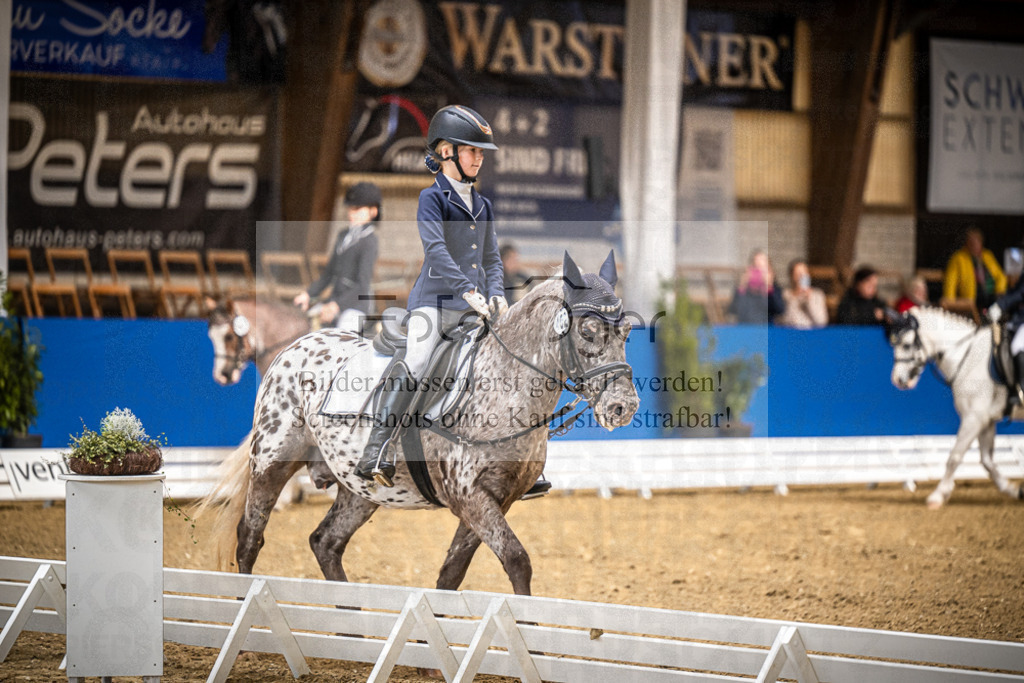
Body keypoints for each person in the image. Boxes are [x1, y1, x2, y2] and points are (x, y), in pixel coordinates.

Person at [355, 105, 507, 487]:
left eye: (481, 152)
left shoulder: (483, 205)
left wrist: (497, 294)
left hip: (474, 308)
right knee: (419, 359)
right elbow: (436, 250)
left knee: (504, 360)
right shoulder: (431, 198)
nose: (479, 158)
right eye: (472, 150)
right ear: (446, 151)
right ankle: (376, 447)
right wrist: (468, 290)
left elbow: (492, 259)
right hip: (434, 303)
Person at [294, 182, 381, 334]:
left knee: (342, 334)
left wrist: (336, 305)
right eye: (350, 209)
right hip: (334, 300)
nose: (352, 213)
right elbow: (328, 274)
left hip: (355, 306)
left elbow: (362, 285)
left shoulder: (370, 241)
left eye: (357, 209)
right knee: (303, 326)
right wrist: (308, 294)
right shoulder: (343, 236)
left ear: (373, 211)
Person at [943, 227, 1007, 312]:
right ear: (967, 243)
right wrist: (949, 300)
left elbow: (1000, 275)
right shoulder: (959, 258)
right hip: (972, 297)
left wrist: (1000, 290)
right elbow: (951, 280)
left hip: (991, 295)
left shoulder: (987, 256)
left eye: (977, 242)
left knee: (1003, 302)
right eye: (971, 242)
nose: (975, 245)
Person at [989, 274, 1024, 405]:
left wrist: (1000, 305)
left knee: (1017, 345)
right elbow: (1015, 291)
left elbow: (1021, 293)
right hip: (1018, 320)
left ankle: (1022, 390)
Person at [727, 250, 784, 324]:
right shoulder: (744, 290)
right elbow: (733, 310)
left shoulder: (774, 290)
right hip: (745, 327)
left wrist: (770, 288)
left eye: (763, 269)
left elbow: (780, 310)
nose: (760, 273)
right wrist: (742, 287)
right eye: (756, 268)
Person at [777, 258, 829, 329]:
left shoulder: (817, 295)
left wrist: (809, 300)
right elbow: (782, 320)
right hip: (791, 333)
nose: (801, 276)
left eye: (804, 273)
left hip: (811, 333)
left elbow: (821, 322)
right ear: (792, 276)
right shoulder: (785, 295)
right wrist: (794, 300)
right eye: (798, 274)